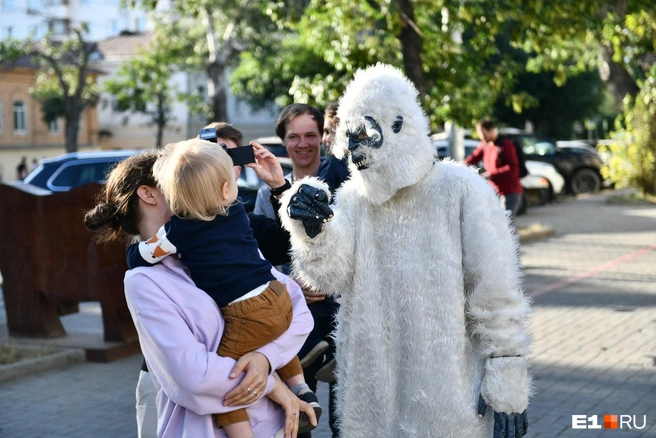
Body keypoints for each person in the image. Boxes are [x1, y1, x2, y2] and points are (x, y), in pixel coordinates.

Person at [279, 64, 531, 438]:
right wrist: (312, 232)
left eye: (365, 134)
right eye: (352, 138)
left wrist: (506, 371)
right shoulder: (352, 199)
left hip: (449, 391)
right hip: (372, 394)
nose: (357, 150)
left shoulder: (460, 189)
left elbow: (495, 291)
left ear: (397, 124)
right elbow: (330, 276)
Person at [84, 151, 317, 438]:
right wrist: (272, 384)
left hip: (279, 426)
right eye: (178, 179)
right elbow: (194, 376)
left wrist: (266, 358)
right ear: (148, 193)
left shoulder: (223, 238)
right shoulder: (143, 280)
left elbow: (299, 313)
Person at [253, 104, 338, 438]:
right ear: (283, 142)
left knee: (345, 418)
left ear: (322, 137)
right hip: (292, 317)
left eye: (311, 135)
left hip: (338, 312)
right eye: (294, 137)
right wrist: (293, 288)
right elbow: (263, 259)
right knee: (297, 420)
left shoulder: (341, 187)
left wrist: (329, 282)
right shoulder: (265, 195)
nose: (303, 144)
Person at [464, 118, 524, 219]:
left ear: (492, 130)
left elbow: (512, 167)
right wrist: (458, 167)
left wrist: (490, 174)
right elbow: (473, 158)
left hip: (510, 192)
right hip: (495, 192)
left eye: (484, 134)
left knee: (507, 224)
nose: (482, 137)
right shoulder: (485, 144)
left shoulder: (505, 144)